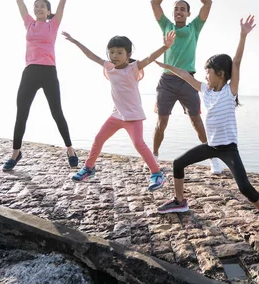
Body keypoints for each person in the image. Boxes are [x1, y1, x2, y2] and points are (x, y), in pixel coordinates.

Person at [155, 16, 259, 240]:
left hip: (228, 149)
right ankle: (180, 201)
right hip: (211, 146)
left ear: (221, 74)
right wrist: (167, 66)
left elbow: (236, 62)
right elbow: (186, 75)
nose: (205, 75)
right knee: (178, 163)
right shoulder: (205, 90)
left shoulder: (229, 91)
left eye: (209, 71)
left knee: (244, 187)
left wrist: (243, 35)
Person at [61, 30, 176, 191]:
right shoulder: (109, 67)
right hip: (116, 115)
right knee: (99, 138)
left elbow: (150, 58)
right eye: (112, 52)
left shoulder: (133, 68)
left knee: (138, 144)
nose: (114, 56)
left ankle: (157, 174)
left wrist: (165, 46)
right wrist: (75, 41)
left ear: (128, 54)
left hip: (133, 116)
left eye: (119, 52)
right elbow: (91, 55)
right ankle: (89, 168)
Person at [3, 0, 78, 171]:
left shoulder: (52, 24)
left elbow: (63, 4)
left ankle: (70, 149)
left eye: (42, 6)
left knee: (57, 112)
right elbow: (19, 2)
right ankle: (16, 153)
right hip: (30, 72)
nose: (37, 9)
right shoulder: (29, 23)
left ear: (48, 10)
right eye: (36, 6)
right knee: (22, 113)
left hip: (48, 72)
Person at [150, 0, 223, 174]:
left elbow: (208, 3)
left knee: (196, 121)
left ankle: (213, 159)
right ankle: (153, 157)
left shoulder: (194, 28)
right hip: (167, 81)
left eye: (183, 9)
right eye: (176, 9)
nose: (179, 11)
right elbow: (154, 3)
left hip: (188, 81)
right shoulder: (166, 25)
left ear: (188, 13)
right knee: (161, 122)